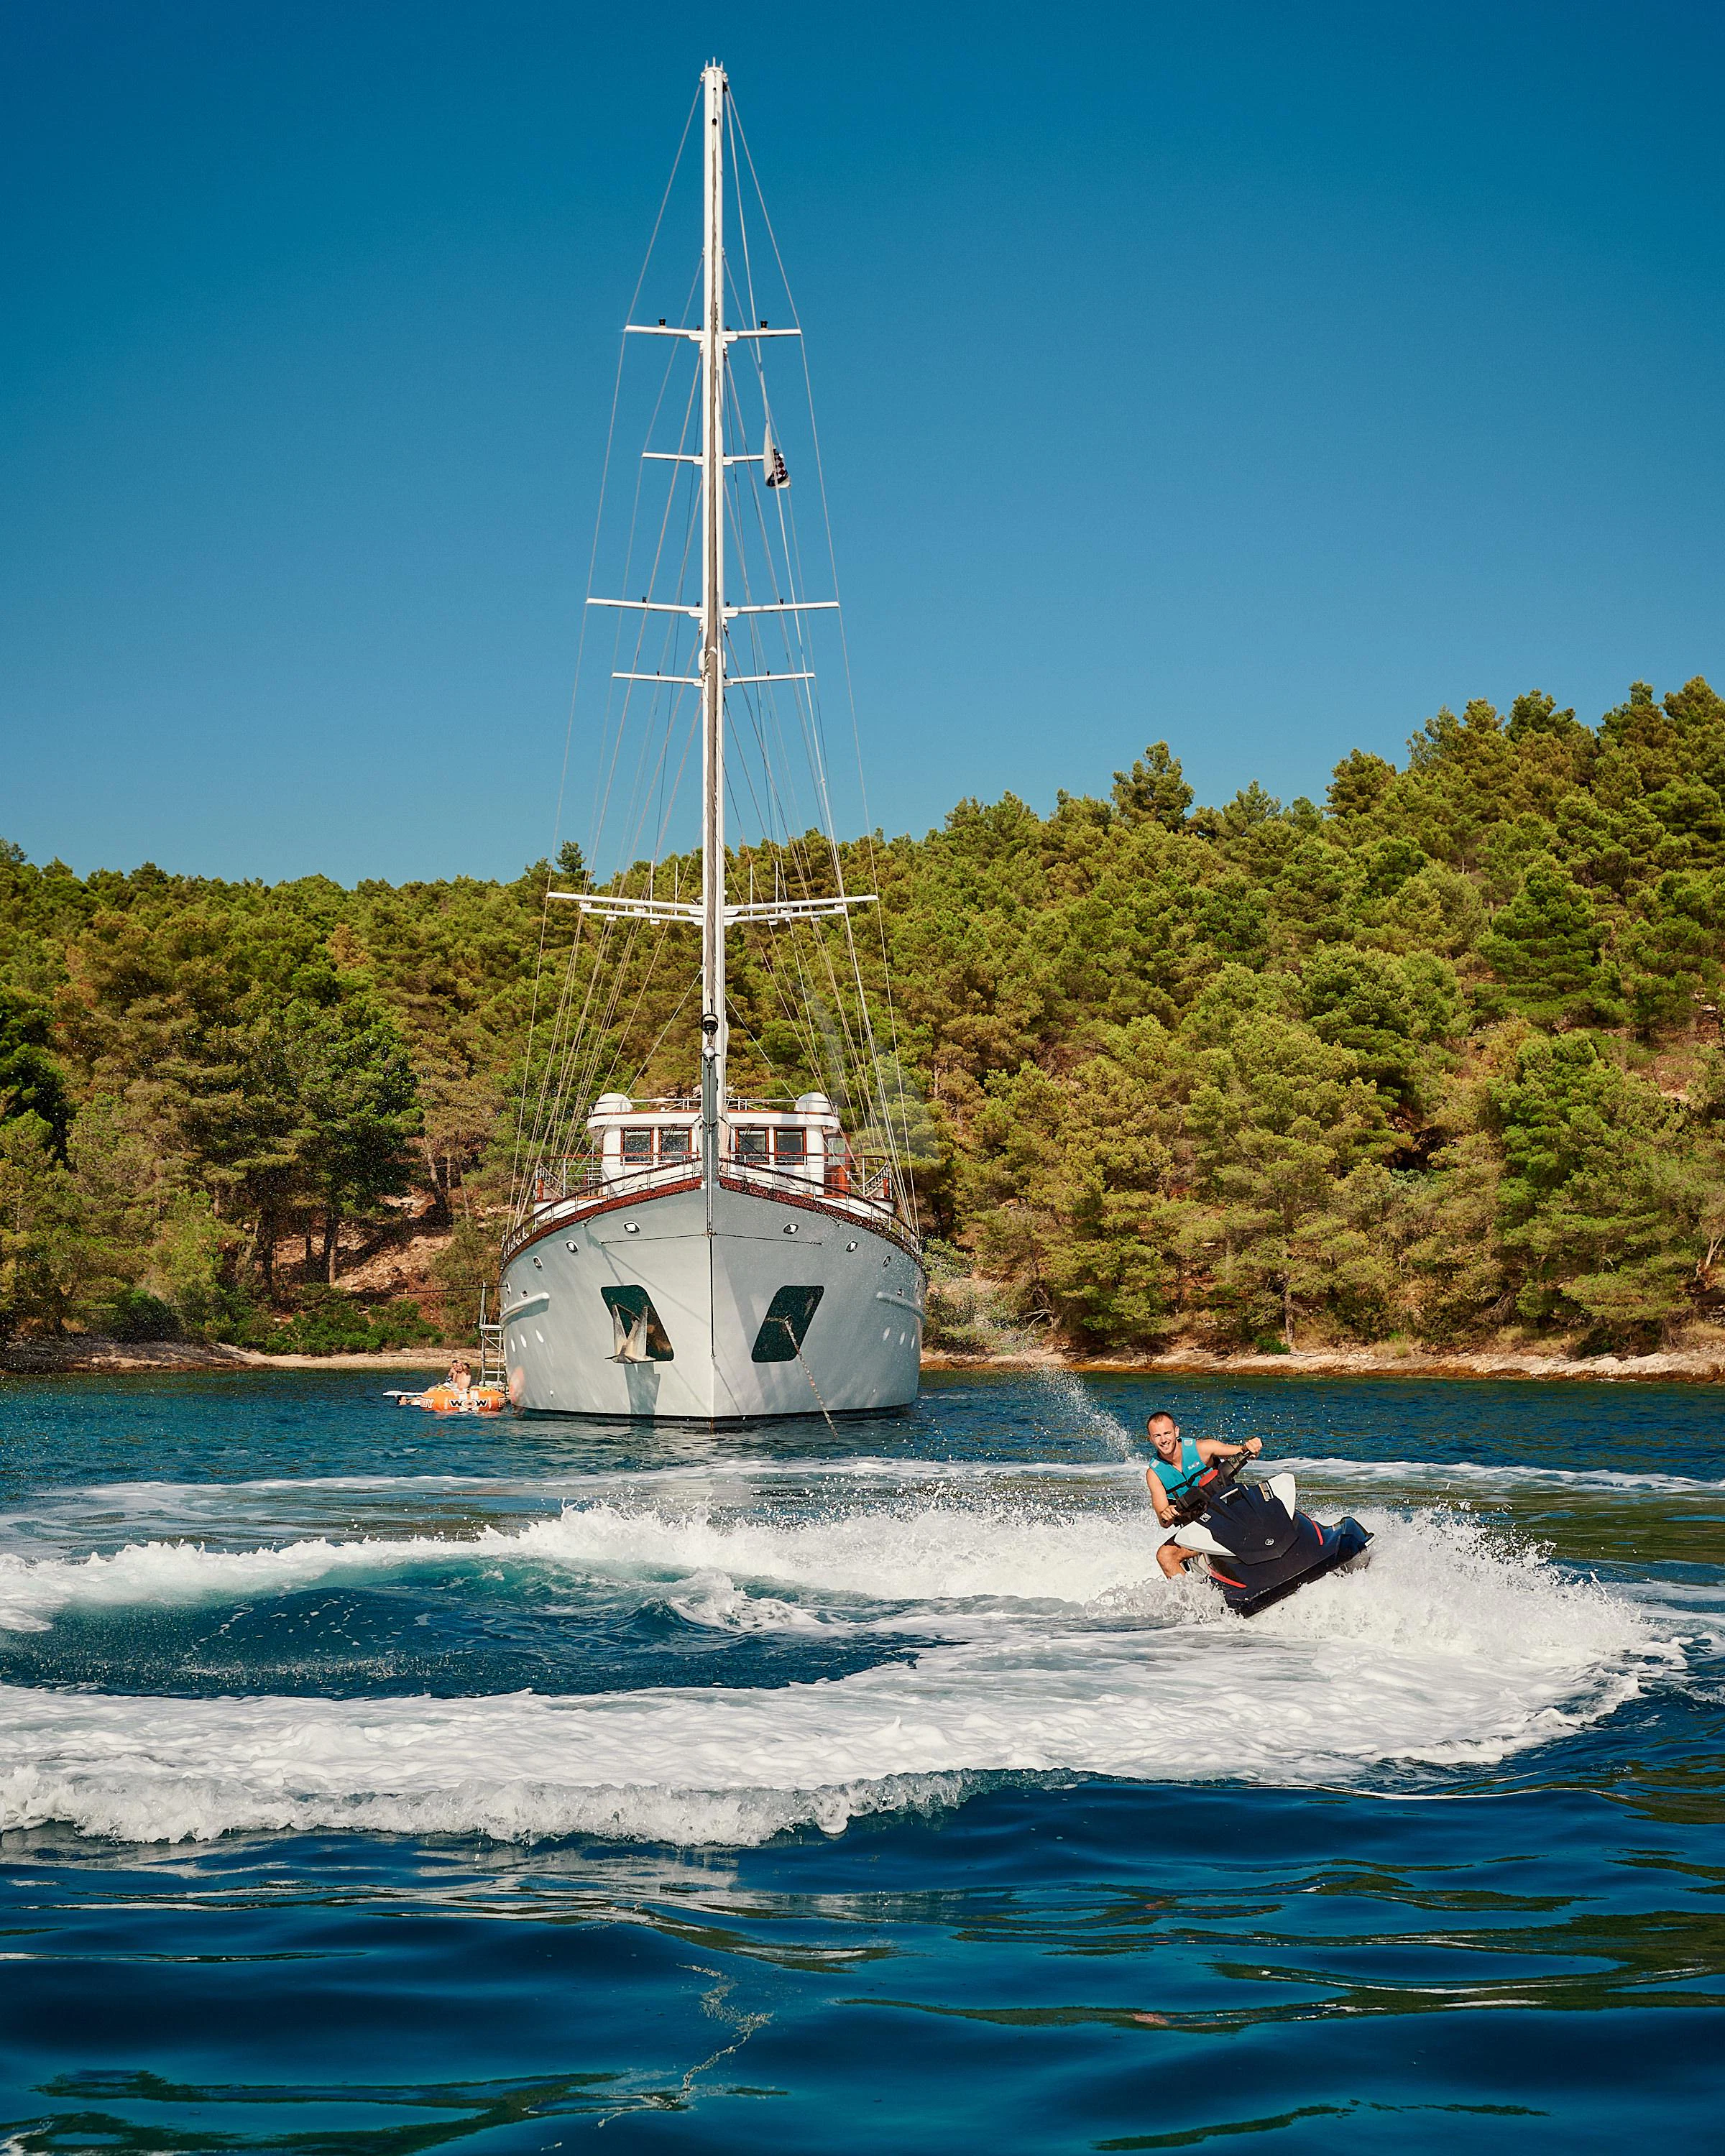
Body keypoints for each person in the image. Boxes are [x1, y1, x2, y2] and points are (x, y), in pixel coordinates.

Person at [1144, 1410, 1261, 1578]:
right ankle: (1193, 1602)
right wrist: (1167, 1513)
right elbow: (1164, 1522)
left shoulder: (1203, 1449)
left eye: (1167, 1433)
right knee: (1165, 1555)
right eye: (1157, 1436)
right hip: (1200, 1532)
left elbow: (1244, 1452)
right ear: (1151, 1439)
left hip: (1231, 1515)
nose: (1163, 1440)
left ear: (1176, 1431)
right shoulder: (1154, 1474)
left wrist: (1252, 1447)